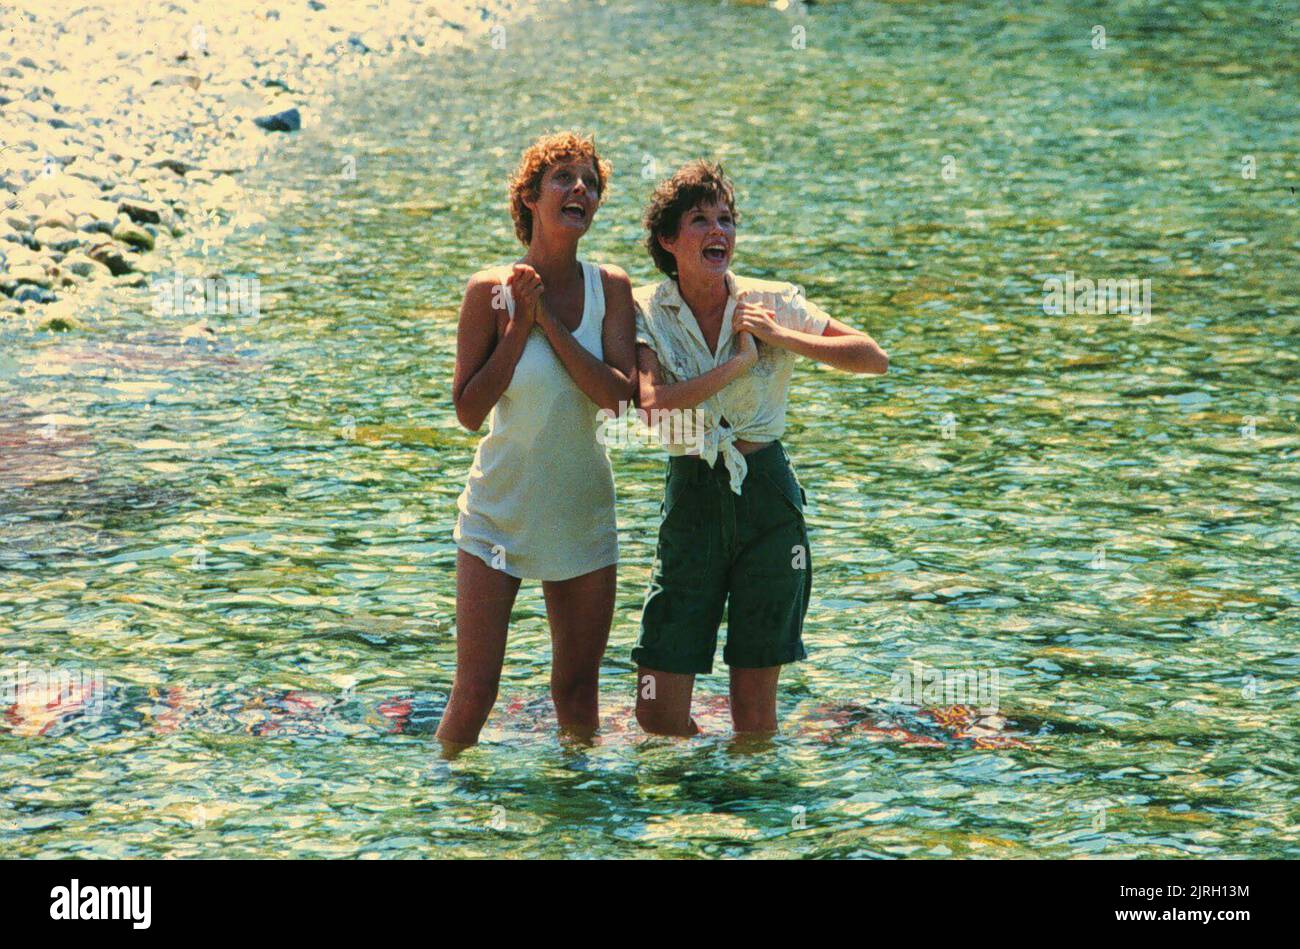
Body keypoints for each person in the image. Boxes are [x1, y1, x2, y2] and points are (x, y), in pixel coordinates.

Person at [631, 160, 889, 737]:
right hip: (692, 490)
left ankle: (743, 819)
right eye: (700, 220)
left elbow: (873, 357)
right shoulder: (643, 307)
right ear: (668, 240)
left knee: (753, 712)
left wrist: (778, 336)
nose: (718, 231)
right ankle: (689, 809)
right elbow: (651, 406)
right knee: (656, 709)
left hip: (768, 493)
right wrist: (741, 363)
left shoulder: (771, 300)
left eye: (726, 220)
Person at [437, 131, 636, 753]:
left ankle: (577, 831)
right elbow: (469, 411)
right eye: (565, 178)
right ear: (530, 196)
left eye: (592, 183)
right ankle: (440, 817)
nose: (581, 189)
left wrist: (549, 320)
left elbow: (620, 398)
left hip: (580, 512)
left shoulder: (612, 288)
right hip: (498, 514)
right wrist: (520, 325)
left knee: (577, 694)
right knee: (476, 694)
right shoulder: (487, 291)